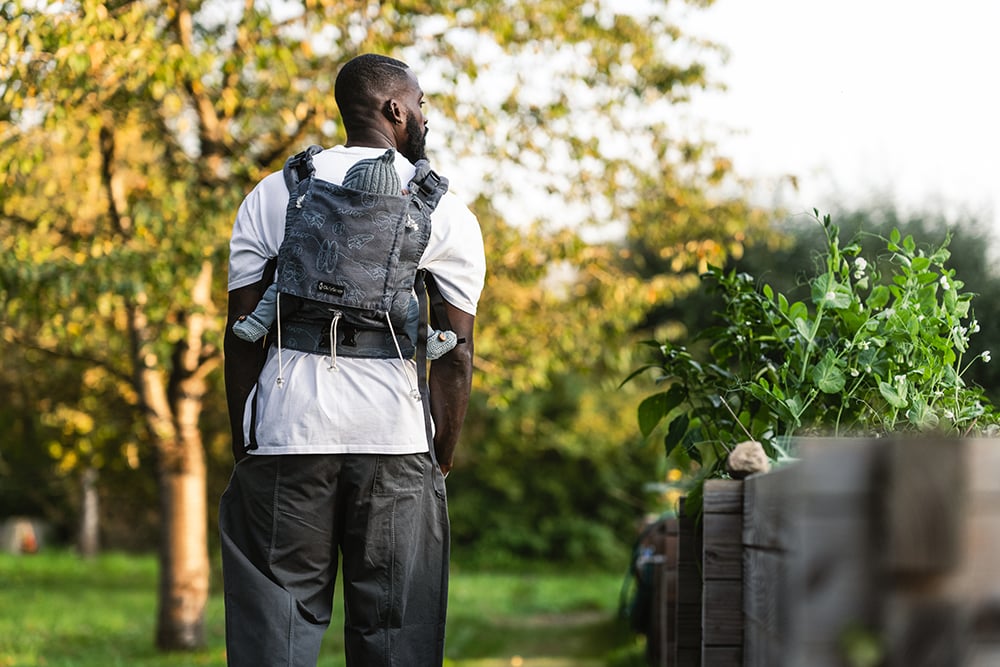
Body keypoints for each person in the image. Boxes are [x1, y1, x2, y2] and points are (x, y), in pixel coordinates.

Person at [219, 53, 486, 667]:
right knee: (396, 637)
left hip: (287, 434)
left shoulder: (273, 193)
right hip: (394, 442)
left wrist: (247, 440)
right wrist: (439, 454)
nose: (425, 118)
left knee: (274, 637)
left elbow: (240, 334)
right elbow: (454, 352)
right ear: (395, 109)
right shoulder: (445, 212)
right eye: (420, 105)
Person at [230, 149, 459, 361]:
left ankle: (257, 323)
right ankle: (428, 340)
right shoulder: (398, 215)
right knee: (407, 309)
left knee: (282, 289)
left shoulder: (323, 206)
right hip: (382, 310)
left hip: (306, 300)